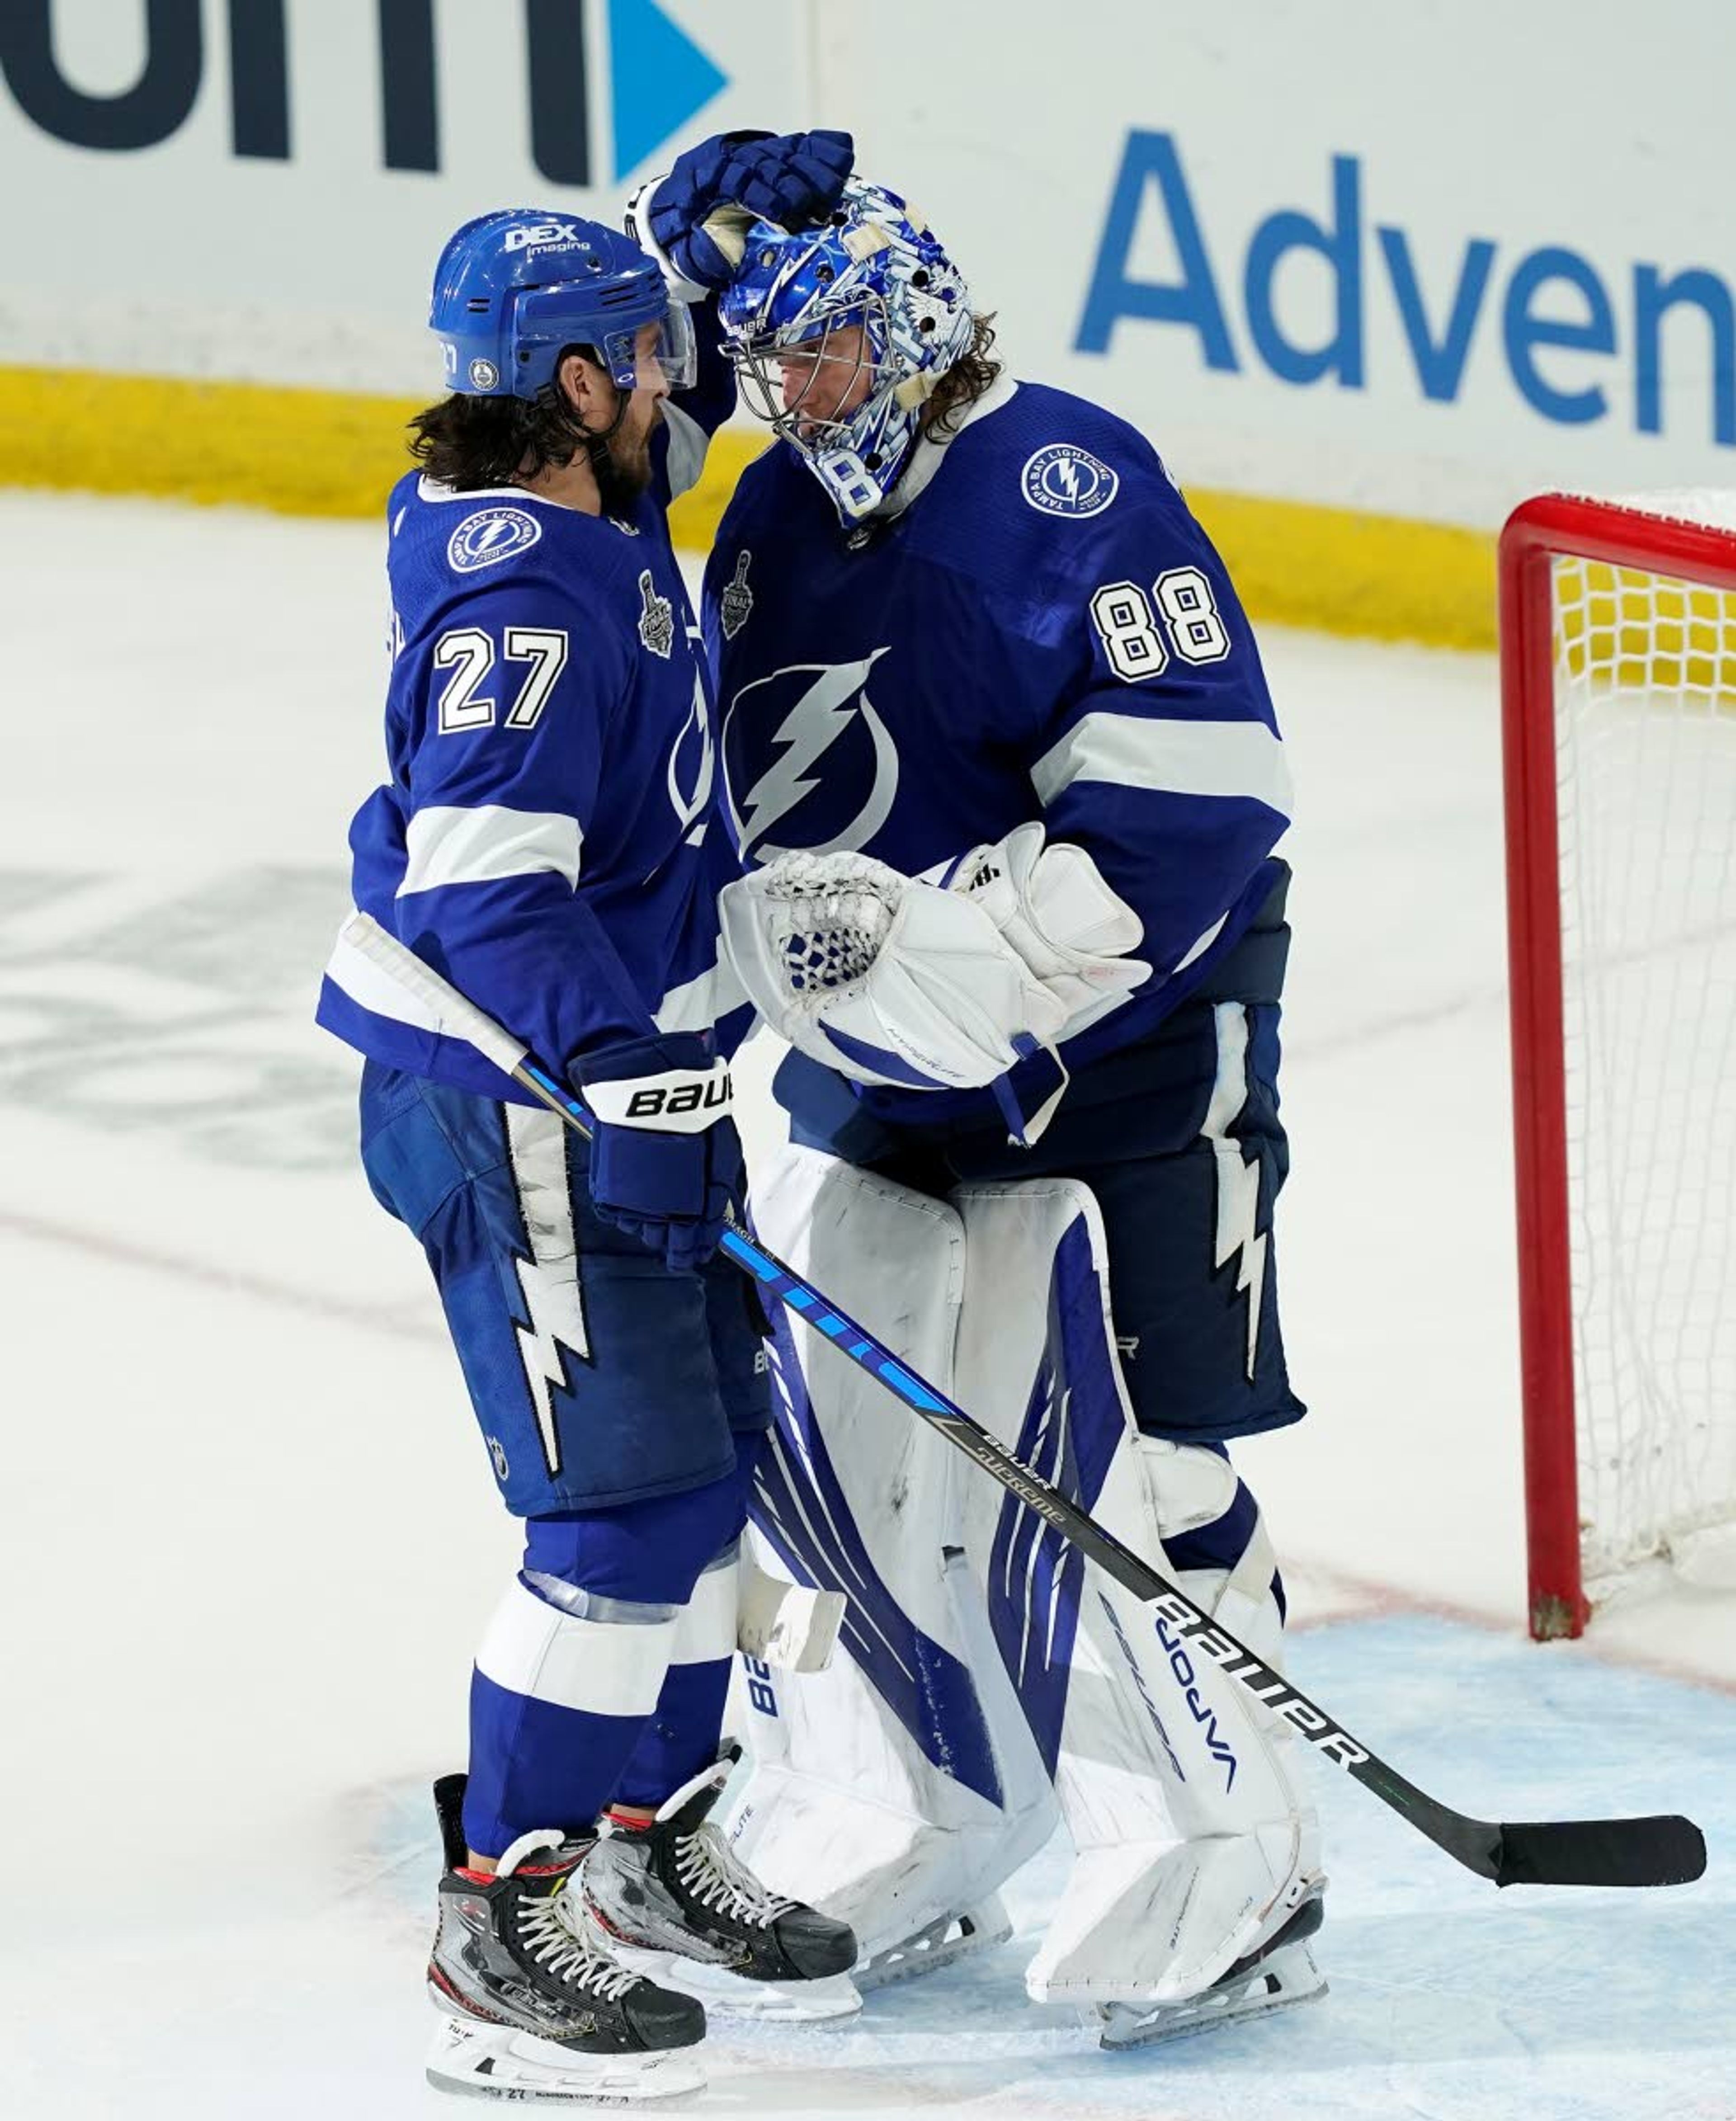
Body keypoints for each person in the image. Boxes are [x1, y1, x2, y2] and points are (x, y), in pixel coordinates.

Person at [669, 165, 1323, 2048]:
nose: (798, 394)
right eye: (771, 365)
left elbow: (1203, 800)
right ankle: (906, 1815)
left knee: (1143, 1457)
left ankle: (1224, 1856)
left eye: (832, 351)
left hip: (1125, 1043)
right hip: (884, 1059)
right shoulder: (775, 518)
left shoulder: (1067, 485)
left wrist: (988, 969)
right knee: (849, 1435)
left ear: (923, 322)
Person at [315, 132, 858, 2106]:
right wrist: (611, 1065)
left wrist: (680, 221)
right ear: (571, 393)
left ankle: (645, 1841)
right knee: (622, 1516)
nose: (680, 385)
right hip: (525, 1104)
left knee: (707, 1489)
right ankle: (501, 1904)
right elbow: (475, 877)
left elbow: (668, 395)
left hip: (634, 1083)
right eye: (645, 358)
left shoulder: (550, 491)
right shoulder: (526, 605)